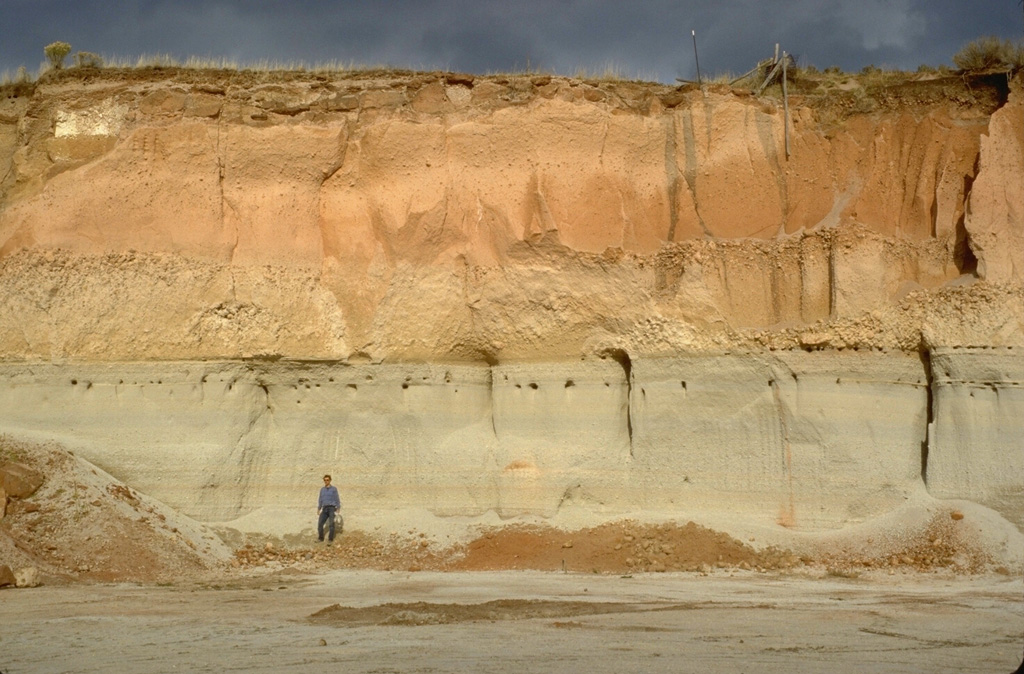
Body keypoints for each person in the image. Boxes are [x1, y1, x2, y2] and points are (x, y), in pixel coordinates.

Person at [317, 474, 341, 543]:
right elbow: (320, 499)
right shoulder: (322, 490)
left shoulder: (334, 489)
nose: (326, 481)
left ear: (330, 480)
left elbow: (337, 498)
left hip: (331, 508)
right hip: (324, 508)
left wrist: (338, 507)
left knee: (331, 524)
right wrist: (319, 508)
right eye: (325, 480)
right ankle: (320, 538)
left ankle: (330, 539)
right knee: (320, 524)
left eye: (327, 480)